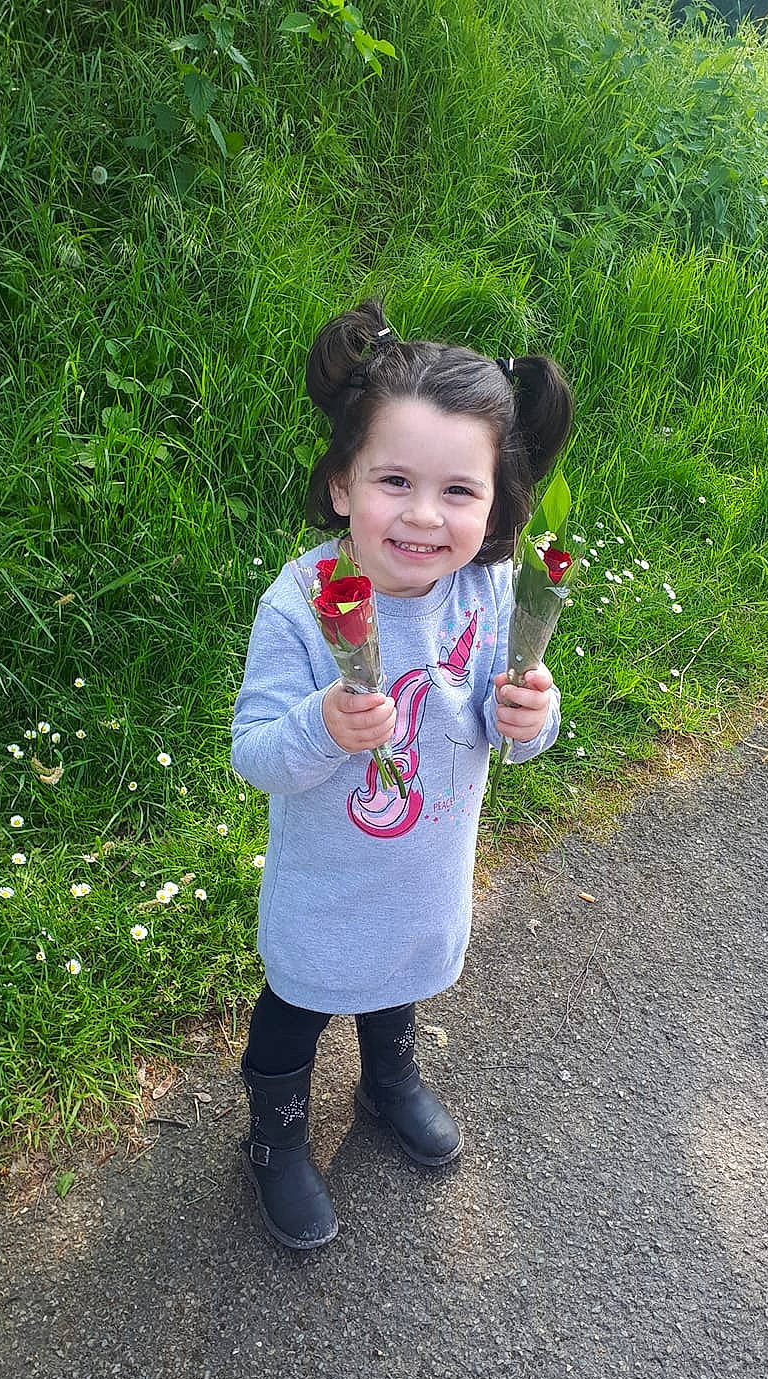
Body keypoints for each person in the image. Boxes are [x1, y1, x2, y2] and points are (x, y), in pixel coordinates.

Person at [230, 299, 575, 1249]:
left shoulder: (494, 587)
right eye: (394, 481)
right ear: (343, 485)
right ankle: (277, 1135)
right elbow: (253, 750)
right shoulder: (303, 604)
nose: (425, 517)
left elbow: (509, 722)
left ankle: (389, 1083)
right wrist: (325, 724)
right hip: (327, 883)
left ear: (498, 505)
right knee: (298, 1001)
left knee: (398, 980)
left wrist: (534, 717)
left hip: (426, 872)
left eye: (459, 492)